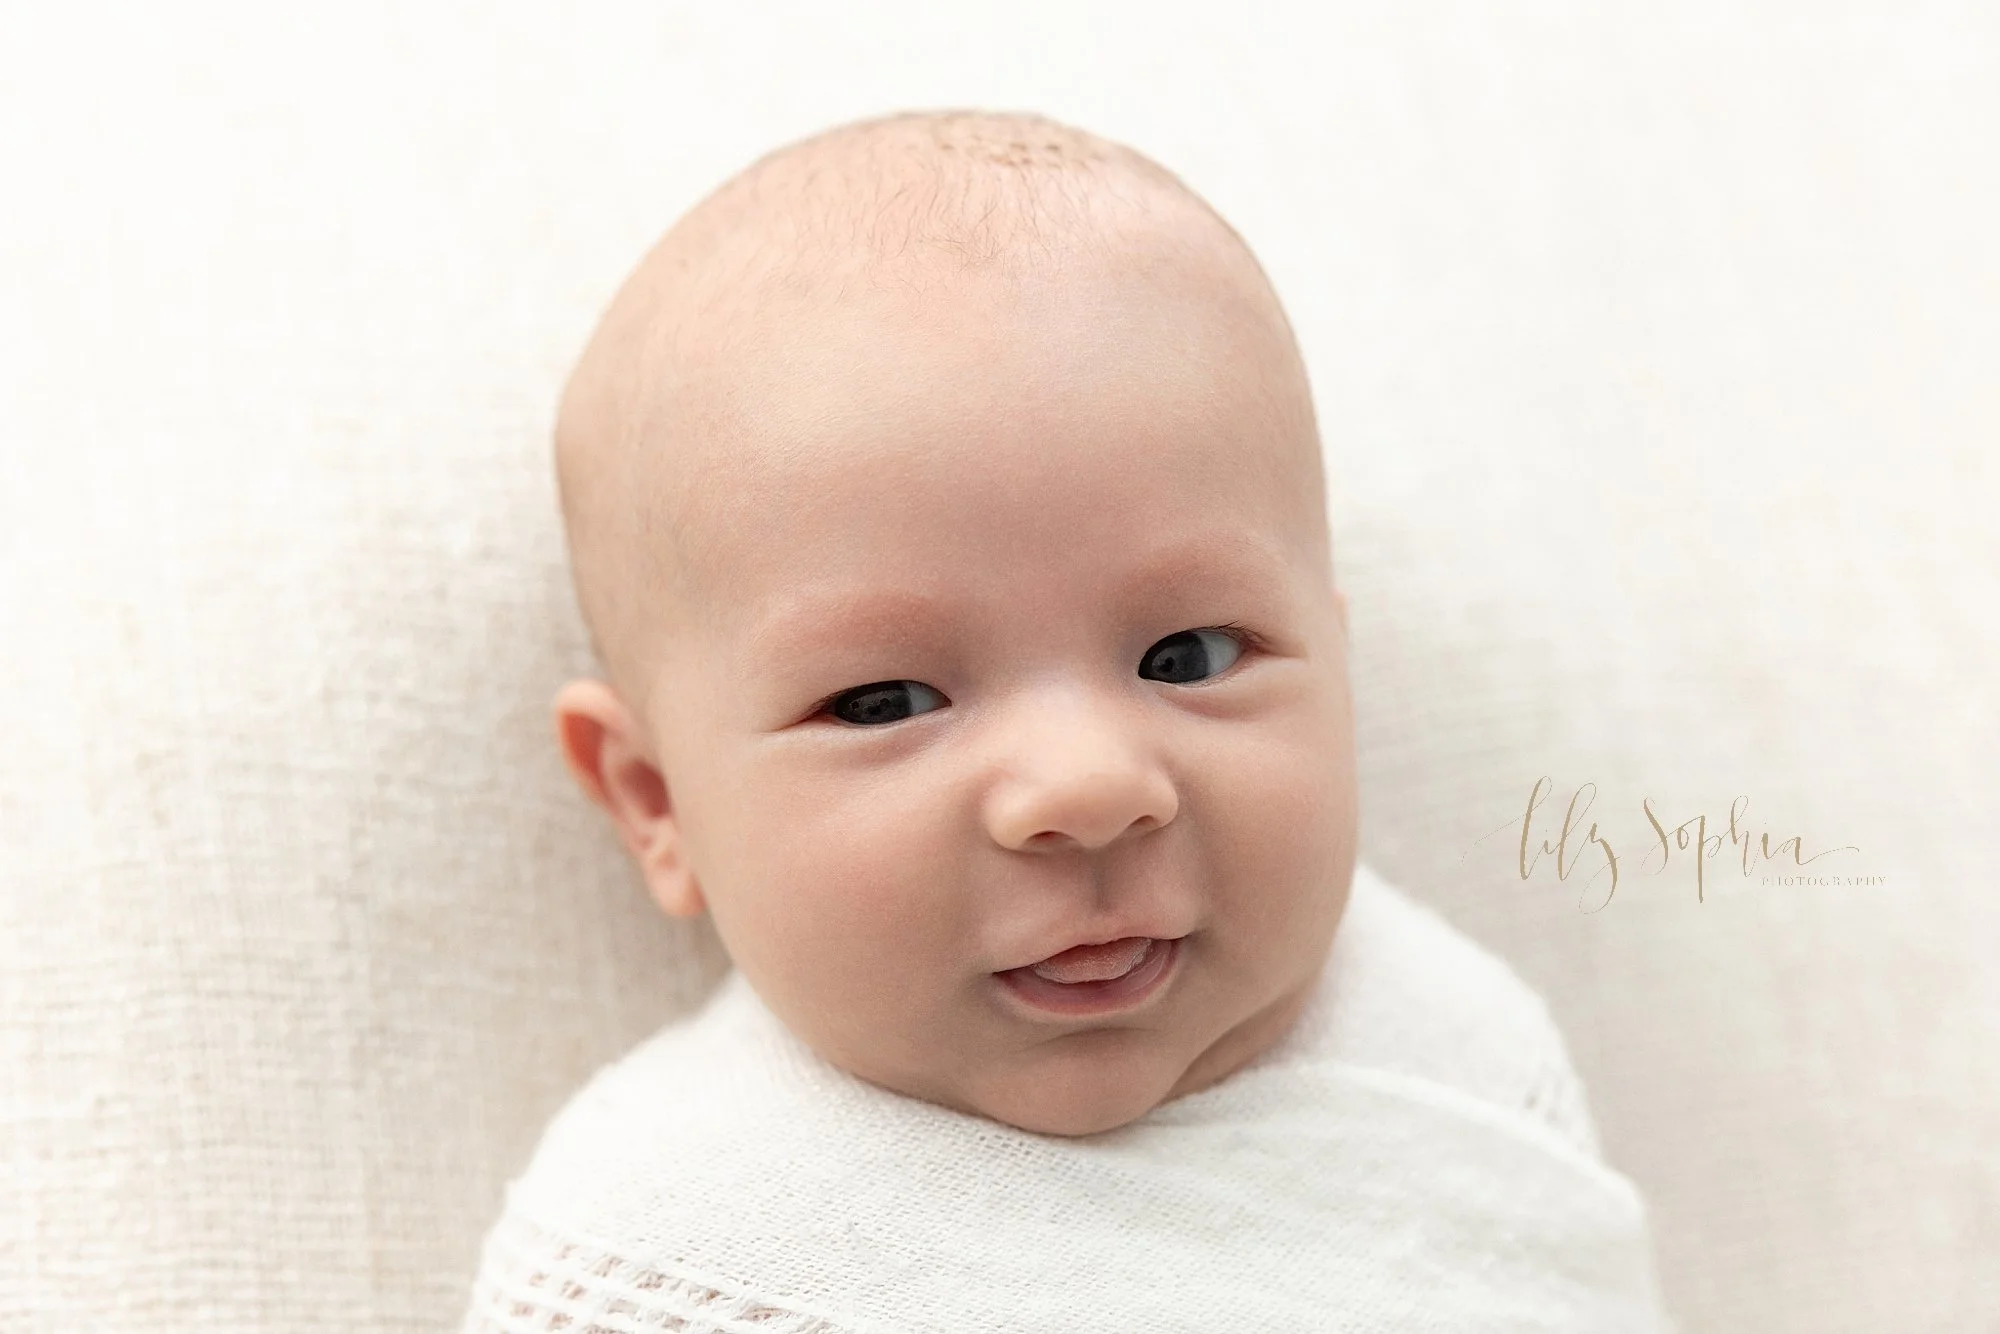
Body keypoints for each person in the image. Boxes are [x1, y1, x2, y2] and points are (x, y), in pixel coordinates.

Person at [461, 108, 1675, 1332]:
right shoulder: (670, 1245)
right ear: (655, 801)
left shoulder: (1458, 1051)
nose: (1088, 786)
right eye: (886, 700)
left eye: (1186, 655)